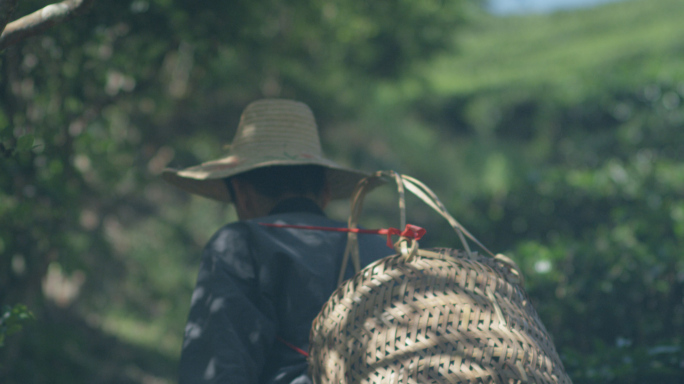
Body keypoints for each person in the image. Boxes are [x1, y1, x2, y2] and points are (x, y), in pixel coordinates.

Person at [162, 99, 393, 384]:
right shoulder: (384, 251)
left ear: (242, 194)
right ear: (326, 192)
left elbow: (217, 369)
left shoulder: (242, 243)